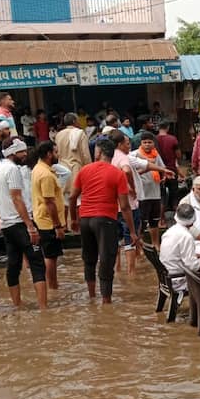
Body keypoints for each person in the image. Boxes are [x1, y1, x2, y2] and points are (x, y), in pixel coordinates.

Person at [69, 136, 138, 304]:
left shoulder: (84, 170)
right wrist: (133, 231)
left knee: (89, 258)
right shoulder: (117, 174)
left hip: (85, 219)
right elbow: (125, 206)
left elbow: (72, 197)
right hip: (105, 219)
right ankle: (106, 300)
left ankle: (92, 296)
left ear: (98, 152)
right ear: (112, 155)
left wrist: (73, 219)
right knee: (106, 259)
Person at [0, 138, 47, 309]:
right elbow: (17, 198)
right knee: (37, 263)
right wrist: (30, 226)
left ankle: (18, 305)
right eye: (22, 152)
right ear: (13, 152)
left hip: (6, 225)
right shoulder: (12, 170)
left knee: (14, 265)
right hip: (19, 223)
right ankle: (44, 308)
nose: (25, 155)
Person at [129, 131, 175, 248]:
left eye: (150, 142)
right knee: (141, 222)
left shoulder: (156, 155)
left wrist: (164, 176)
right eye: (145, 142)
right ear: (141, 143)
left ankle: (156, 245)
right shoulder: (134, 155)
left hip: (155, 192)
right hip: (142, 194)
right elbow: (134, 173)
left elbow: (162, 168)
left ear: (153, 144)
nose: (147, 145)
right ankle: (139, 246)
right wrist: (148, 168)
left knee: (154, 221)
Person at [31, 140, 65, 290]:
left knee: (49, 255)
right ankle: (52, 286)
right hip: (48, 222)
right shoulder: (46, 175)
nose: (58, 155)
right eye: (56, 152)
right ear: (49, 154)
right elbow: (49, 201)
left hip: (42, 219)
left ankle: (51, 285)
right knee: (51, 257)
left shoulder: (38, 169)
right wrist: (58, 226)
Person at [111, 130, 143, 274]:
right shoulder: (124, 158)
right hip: (128, 205)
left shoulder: (109, 157)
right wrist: (131, 186)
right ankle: (131, 273)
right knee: (130, 237)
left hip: (114, 206)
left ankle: (117, 268)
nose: (129, 146)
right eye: (127, 143)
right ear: (120, 144)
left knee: (117, 240)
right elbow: (127, 171)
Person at [159, 202, 200, 292]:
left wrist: (197, 256)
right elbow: (192, 266)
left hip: (166, 278)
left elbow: (176, 254)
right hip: (179, 281)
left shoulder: (169, 232)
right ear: (193, 219)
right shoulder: (186, 236)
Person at [55, 113, 91, 202]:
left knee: (66, 201)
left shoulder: (58, 135)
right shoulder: (80, 133)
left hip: (62, 170)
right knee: (78, 201)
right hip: (76, 169)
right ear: (74, 121)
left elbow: (57, 153)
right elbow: (85, 154)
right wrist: (90, 170)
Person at [156, 120, 182, 212]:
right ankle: (176, 214)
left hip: (158, 170)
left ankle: (161, 218)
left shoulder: (154, 139)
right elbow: (178, 155)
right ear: (168, 127)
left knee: (161, 194)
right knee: (174, 193)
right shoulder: (173, 139)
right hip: (171, 169)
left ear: (158, 128)